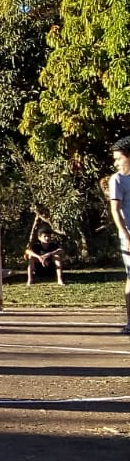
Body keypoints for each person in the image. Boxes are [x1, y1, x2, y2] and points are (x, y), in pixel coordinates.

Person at [106, 136, 130, 334]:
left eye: (119, 158)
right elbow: (115, 210)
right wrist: (126, 235)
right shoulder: (117, 180)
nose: (116, 163)